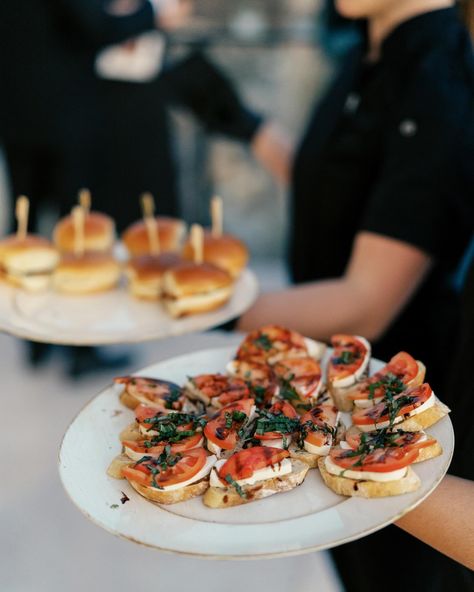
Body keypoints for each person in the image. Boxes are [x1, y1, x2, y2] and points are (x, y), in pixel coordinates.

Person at [204, 0, 473, 589]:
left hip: (389, 407)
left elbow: (366, 302)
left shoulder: (440, 80)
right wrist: (241, 123)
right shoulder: (366, 53)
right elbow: (337, 180)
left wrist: (212, 311)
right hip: (319, 395)